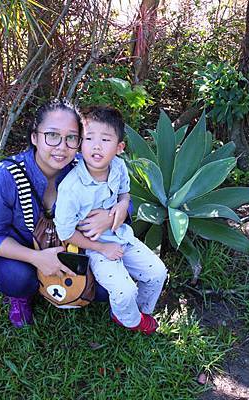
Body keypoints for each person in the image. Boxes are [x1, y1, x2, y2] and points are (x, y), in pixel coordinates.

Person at [0, 99, 131, 328]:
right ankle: (22, 296)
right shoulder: (4, 176)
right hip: (25, 252)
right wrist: (36, 258)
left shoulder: (85, 167)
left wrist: (112, 215)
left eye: (71, 138)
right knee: (16, 278)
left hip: (73, 248)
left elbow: (124, 199)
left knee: (105, 291)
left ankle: (66, 284)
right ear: (35, 137)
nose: (61, 147)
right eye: (52, 135)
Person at [54, 106, 168, 335]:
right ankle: (129, 319)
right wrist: (102, 248)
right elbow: (65, 233)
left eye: (105, 139)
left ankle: (140, 312)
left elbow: (125, 193)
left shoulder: (118, 167)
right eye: (89, 138)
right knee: (125, 290)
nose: (96, 146)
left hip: (122, 235)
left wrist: (123, 204)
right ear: (80, 144)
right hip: (93, 248)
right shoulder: (71, 188)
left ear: (119, 148)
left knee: (158, 272)